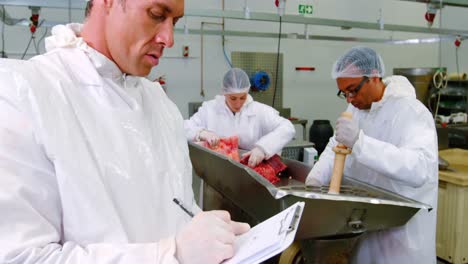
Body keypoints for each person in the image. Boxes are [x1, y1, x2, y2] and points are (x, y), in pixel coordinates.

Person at [0, 0, 250, 263]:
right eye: (156, 15)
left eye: (174, 22)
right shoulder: (24, 93)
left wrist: (209, 234)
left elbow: (175, 208)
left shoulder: (158, 103)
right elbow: (22, 256)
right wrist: (170, 255)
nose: (169, 38)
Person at [305, 46, 438, 263]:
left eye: (353, 90)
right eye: (343, 93)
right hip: (364, 223)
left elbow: (419, 168)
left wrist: (360, 143)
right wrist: (315, 179)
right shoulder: (357, 110)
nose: (349, 99)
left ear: (374, 76)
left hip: (400, 236)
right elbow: (335, 148)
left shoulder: (412, 113)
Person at [184, 68, 295, 167]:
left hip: (251, 173)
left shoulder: (259, 111)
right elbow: (181, 128)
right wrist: (200, 133)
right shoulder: (210, 109)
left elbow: (287, 128)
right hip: (216, 173)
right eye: (233, 98)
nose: (238, 103)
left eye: (242, 97)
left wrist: (263, 148)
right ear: (224, 93)